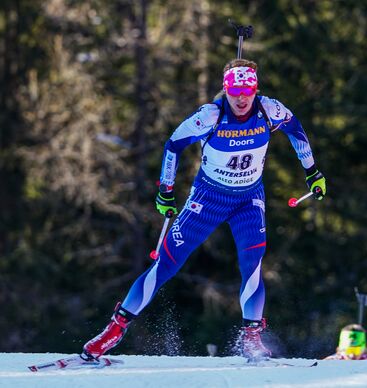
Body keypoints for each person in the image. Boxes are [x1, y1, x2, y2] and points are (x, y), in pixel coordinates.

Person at [80, 58, 326, 361]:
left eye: (247, 91)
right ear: (225, 89)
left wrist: (312, 172)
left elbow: (296, 130)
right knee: (167, 264)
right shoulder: (210, 116)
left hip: (248, 200)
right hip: (207, 199)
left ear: (255, 89)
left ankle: (251, 338)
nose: (241, 98)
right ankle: (115, 329)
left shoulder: (269, 110)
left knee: (252, 264)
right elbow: (173, 145)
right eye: (234, 91)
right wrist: (165, 191)